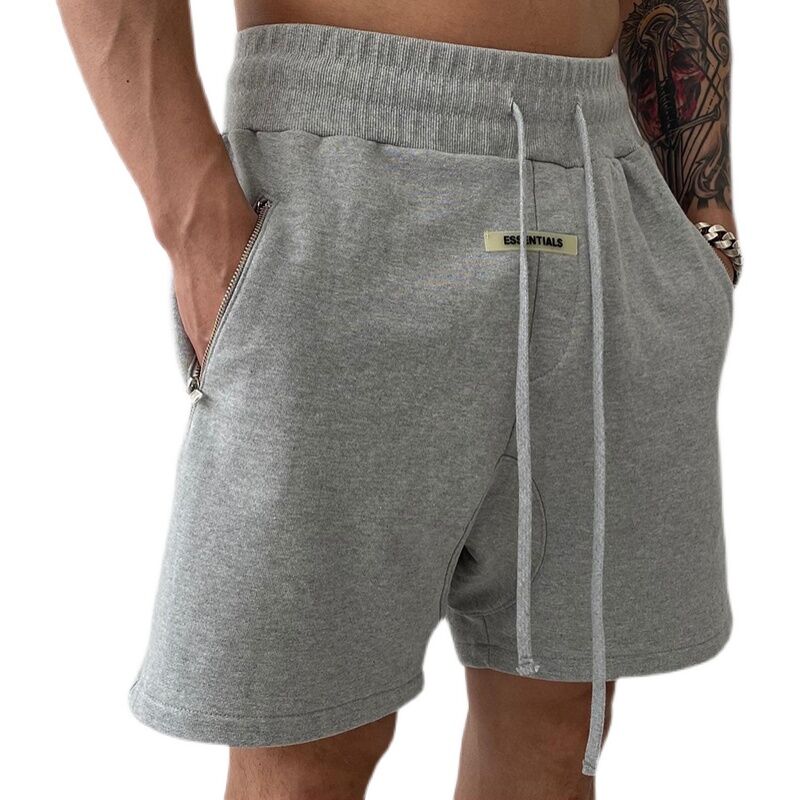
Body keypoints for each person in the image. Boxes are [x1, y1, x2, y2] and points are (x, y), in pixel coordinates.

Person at [58, 1, 739, 797]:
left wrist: (704, 214)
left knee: (559, 727)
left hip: (598, 172)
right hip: (340, 179)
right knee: (307, 752)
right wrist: (195, 223)